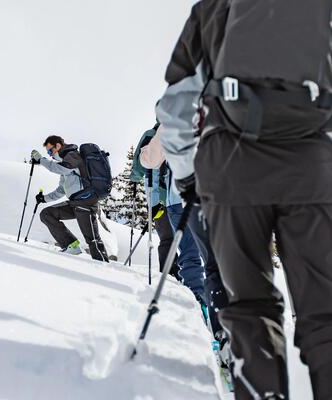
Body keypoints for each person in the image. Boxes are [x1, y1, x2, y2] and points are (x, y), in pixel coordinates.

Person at [155, 1, 332, 399]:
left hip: (231, 169)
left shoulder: (215, 7)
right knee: (326, 309)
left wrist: (187, 180)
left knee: (250, 305)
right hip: (311, 165)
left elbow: (176, 107)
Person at [132, 124, 206, 306]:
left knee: (187, 251)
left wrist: (153, 202)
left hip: (176, 199)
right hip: (210, 198)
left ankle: (198, 298)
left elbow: (151, 168)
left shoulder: (165, 129)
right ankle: (218, 302)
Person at [31, 135, 109, 262]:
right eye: (48, 153)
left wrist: (41, 160)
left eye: (51, 151)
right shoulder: (65, 162)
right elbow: (62, 190)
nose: (50, 155)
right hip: (74, 203)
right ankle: (71, 245)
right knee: (47, 214)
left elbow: (57, 168)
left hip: (86, 202)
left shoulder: (72, 155)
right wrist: (44, 199)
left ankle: (104, 267)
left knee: (92, 239)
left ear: (58, 145)